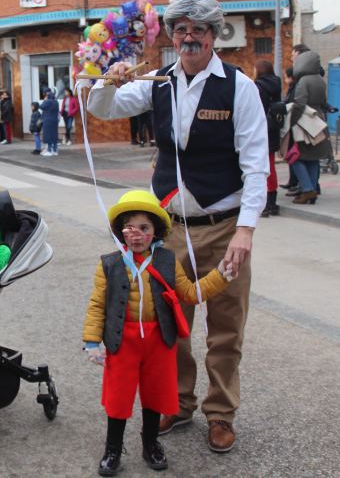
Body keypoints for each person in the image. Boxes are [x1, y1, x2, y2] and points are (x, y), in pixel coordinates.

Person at [87, 0, 268, 453]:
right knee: (173, 324)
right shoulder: (158, 82)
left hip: (224, 224)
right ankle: (179, 402)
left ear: (214, 35)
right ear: (171, 35)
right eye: (181, 29)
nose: (189, 37)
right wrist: (108, 79)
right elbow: (103, 107)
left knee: (226, 328)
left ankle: (221, 413)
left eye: (199, 30)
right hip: (170, 225)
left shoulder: (238, 87)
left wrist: (245, 230)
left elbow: (256, 166)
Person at [82, 190, 233, 475]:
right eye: (129, 227)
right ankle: (113, 448)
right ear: (120, 231)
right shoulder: (109, 264)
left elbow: (190, 293)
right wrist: (91, 340)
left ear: (155, 232)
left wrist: (220, 275)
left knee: (155, 396)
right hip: (121, 340)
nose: (136, 234)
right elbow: (97, 303)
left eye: (144, 228)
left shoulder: (166, 260)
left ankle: (150, 444)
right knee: (118, 398)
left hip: (159, 340)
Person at [288, 47, 330, 204]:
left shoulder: (304, 81)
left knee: (296, 157)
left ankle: (307, 189)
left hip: (305, 121)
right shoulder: (320, 79)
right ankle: (311, 189)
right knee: (313, 158)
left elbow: (299, 103)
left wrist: (292, 121)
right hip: (319, 120)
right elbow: (324, 102)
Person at [253, 60, 282, 217]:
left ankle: (269, 203)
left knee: (264, 168)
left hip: (261, 129)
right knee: (270, 166)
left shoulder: (258, 86)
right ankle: (272, 201)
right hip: (273, 130)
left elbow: (255, 110)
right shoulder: (276, 84)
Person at [40, 88, 60, 157]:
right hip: (55, 120)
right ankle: (54, 150)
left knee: (48, 135)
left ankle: (49, 150)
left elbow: (41, 106)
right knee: (54, 135)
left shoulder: (48, 101)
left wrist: (45, 100)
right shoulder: (56, 102)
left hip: (48, 121)